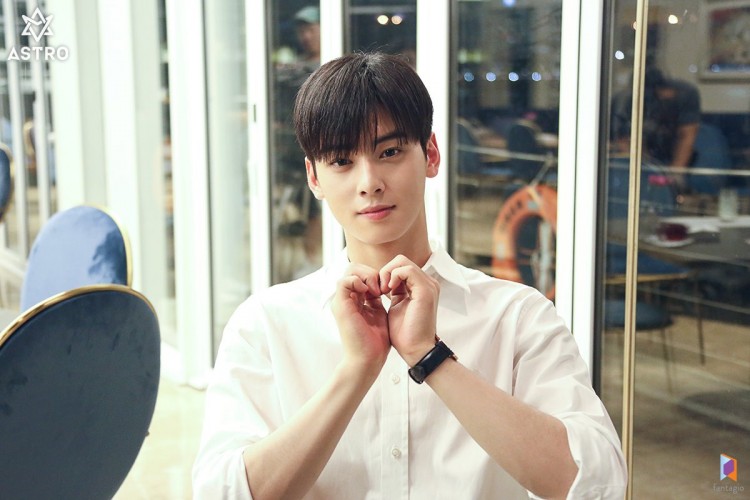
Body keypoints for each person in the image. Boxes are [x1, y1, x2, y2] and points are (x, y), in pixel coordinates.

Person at [193, 52, 627, 499]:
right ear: (314, 178)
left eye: (390, 152)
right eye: (341, 161)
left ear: (431, 154)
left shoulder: (516, 316)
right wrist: (356, 371)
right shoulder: (266, 323)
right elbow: (221, 493)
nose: (369, 182)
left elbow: (598, 484)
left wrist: (430, 356)